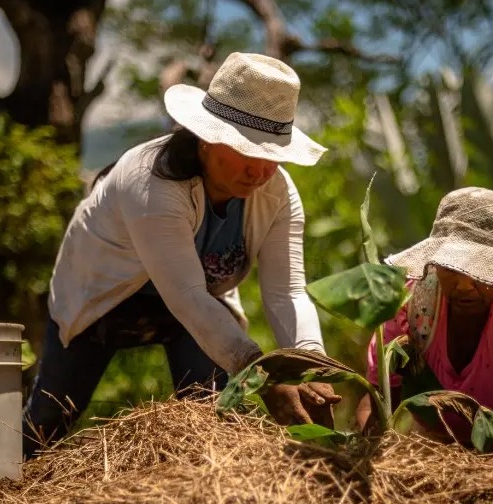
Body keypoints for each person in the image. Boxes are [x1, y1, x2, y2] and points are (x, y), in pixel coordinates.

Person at [23, 52, 341, 459]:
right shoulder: (150, 182)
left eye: (273, 156)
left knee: (212, 416)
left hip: (193, 312)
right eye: (248, 152)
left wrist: (308, 363)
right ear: (208, 139)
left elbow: (288, 292)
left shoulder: (277, 194)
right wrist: (265, 377)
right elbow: (187, 295)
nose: (261, 172)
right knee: (48, 421)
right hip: (103, 298)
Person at [356, 186, 493, 460]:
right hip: (437, 447)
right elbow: (377, 398)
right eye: (452, 269)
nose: (464, 286)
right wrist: (367, 454)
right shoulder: (410, 303)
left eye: (480, 272)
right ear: (435, 263)